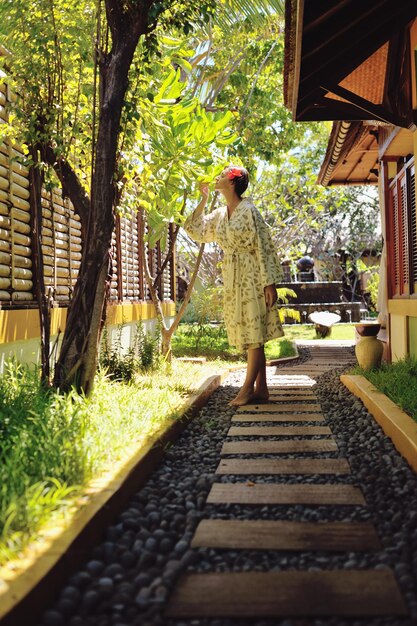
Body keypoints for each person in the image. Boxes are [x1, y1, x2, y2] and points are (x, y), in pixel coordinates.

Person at [184, 165, 283, 406]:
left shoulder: (249, 210)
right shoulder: (219, 214)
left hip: (252, 274)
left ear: (232, 182)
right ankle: (262, 388)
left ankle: (247, 389)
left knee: (254, 331)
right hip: (232, 275)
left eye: (222, 174)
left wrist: (269, 282)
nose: (216, 176)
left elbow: (264, 244)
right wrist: (203, 199)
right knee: (247, 328)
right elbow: (194, 229)